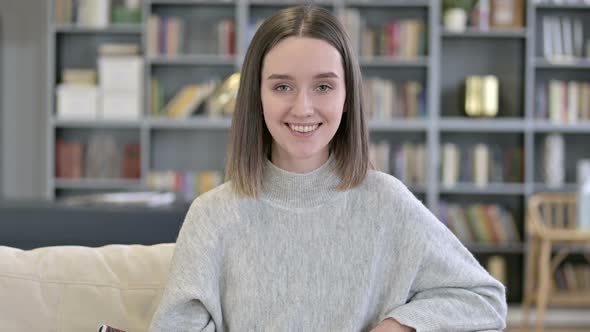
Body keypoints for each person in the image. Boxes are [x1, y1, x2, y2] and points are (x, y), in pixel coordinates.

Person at [149, 5, 507, 332]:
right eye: (282, 86)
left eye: (323, 86)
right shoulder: (212, 216)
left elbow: (485, 300)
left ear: (348, 96)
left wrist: (400, 325)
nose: (303, 108)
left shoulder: (387, 203)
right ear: (256, 97)